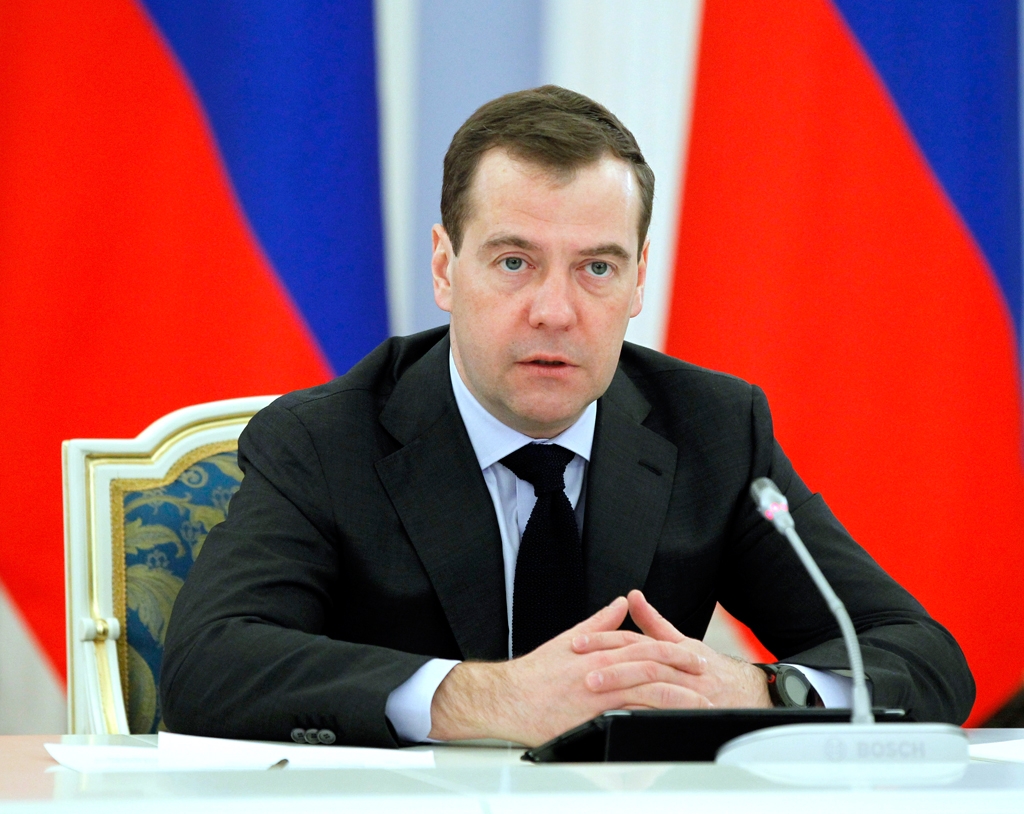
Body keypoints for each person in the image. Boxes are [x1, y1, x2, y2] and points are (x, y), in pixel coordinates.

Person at [161, 86, 974, 748]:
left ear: (639, 279)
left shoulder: (713, 431)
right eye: (515, 262)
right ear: (445, 268)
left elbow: (923, 656)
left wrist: (761, 690)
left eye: (596, 268)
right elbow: (207, 664)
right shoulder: (325, 439)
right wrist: (482, 698)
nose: (554, 310)